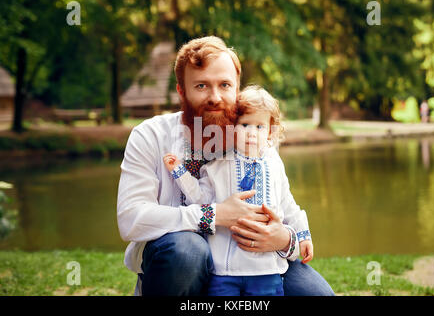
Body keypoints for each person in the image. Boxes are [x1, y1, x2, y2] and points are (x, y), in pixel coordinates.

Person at [117, 36, 335, 296]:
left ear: (237, 89)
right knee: (188, 251)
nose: (215, 97)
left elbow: (284, 205)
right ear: (181, 91)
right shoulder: (150, 136)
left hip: (253, 264)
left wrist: (285, 239)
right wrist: (216, 214)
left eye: (225, 85)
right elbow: (131, 219)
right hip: (184, 265)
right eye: (201, 85)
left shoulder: (254, 141)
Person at [163, 85, 313, 296]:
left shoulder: (274, 163)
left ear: (270, 130)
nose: (251, 133)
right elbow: (201, 199)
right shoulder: (218, 164)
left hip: (267, 269)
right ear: (231, 126)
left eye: (260, 127)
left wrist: (303, 235)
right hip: (225, 270)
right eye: (244, 124)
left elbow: (287, 203)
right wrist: (180, 173)